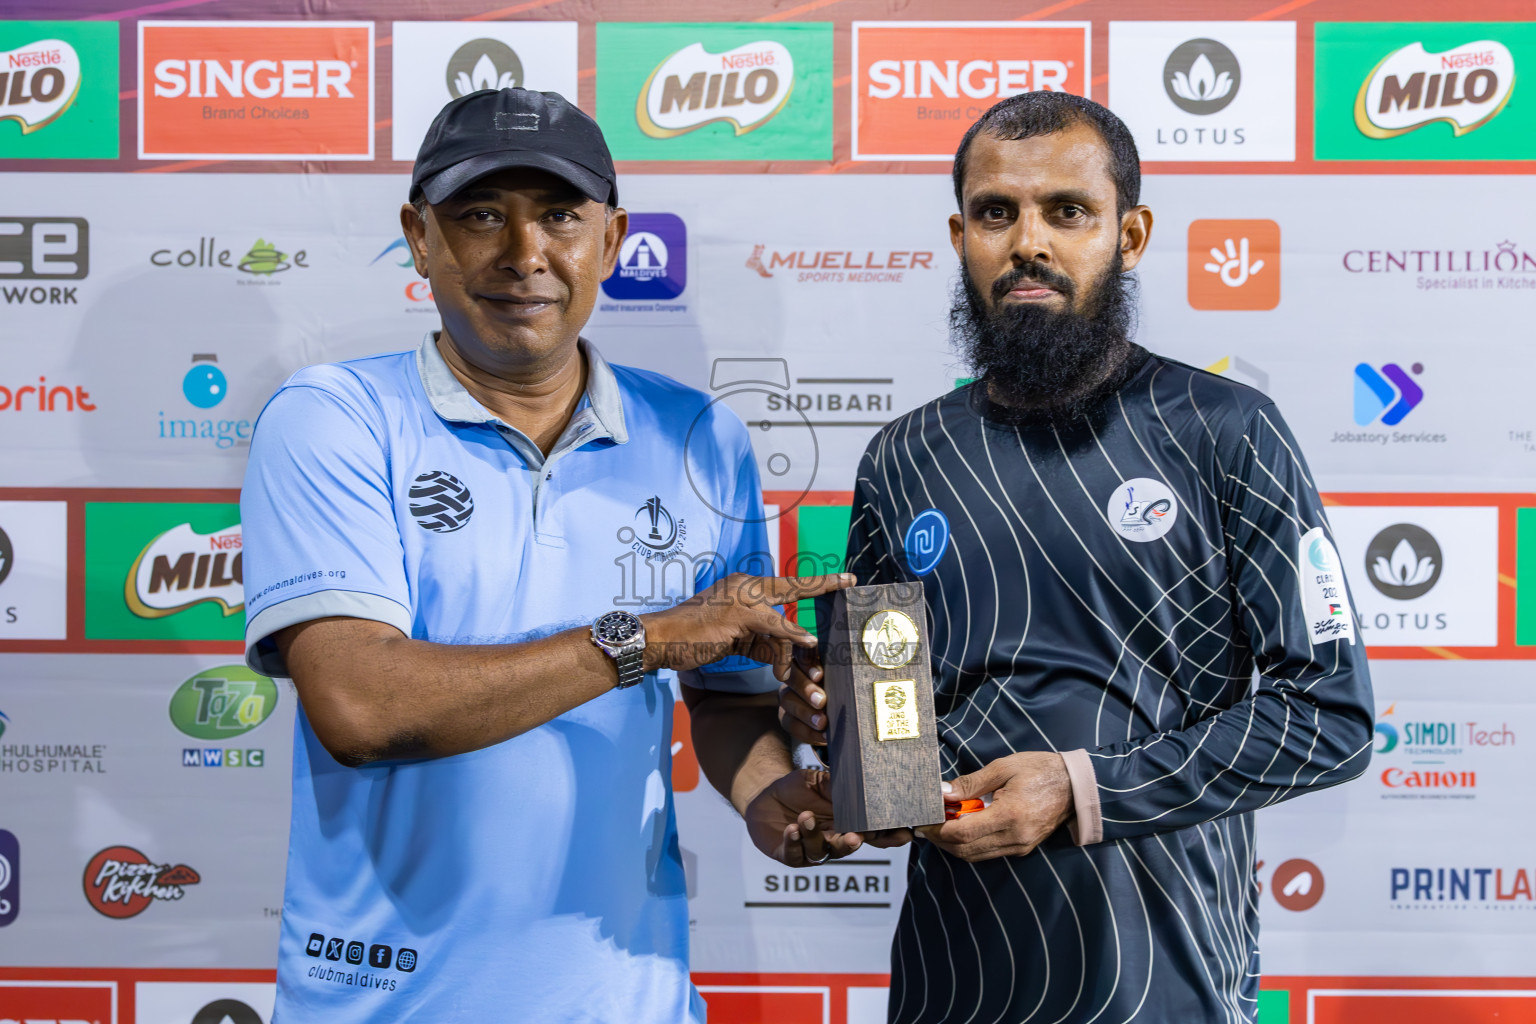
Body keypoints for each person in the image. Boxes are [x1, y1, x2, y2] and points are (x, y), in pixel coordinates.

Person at [240, 87, 866, 1023]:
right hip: (389, 1007)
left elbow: (728, 699)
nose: (524, 255)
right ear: (419, 237)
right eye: (482, 215)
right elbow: (360, 706)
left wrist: (771, 790)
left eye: (561, 217)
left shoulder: (704, 436)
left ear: (611, 240)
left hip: (630, 1000)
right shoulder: (333, 418)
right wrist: (646, 638)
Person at [778, 91, 1374, 1023]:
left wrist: (1081, 789)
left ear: (1128, 235)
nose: (1028, 243)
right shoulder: (900, 459)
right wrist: (847, 758)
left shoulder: (1228, 433)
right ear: (959, 233)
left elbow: (1330, 718)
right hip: (953, 981)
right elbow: (888, 754)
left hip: (1163, 981)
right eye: (995, 213)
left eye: (1068, 211)